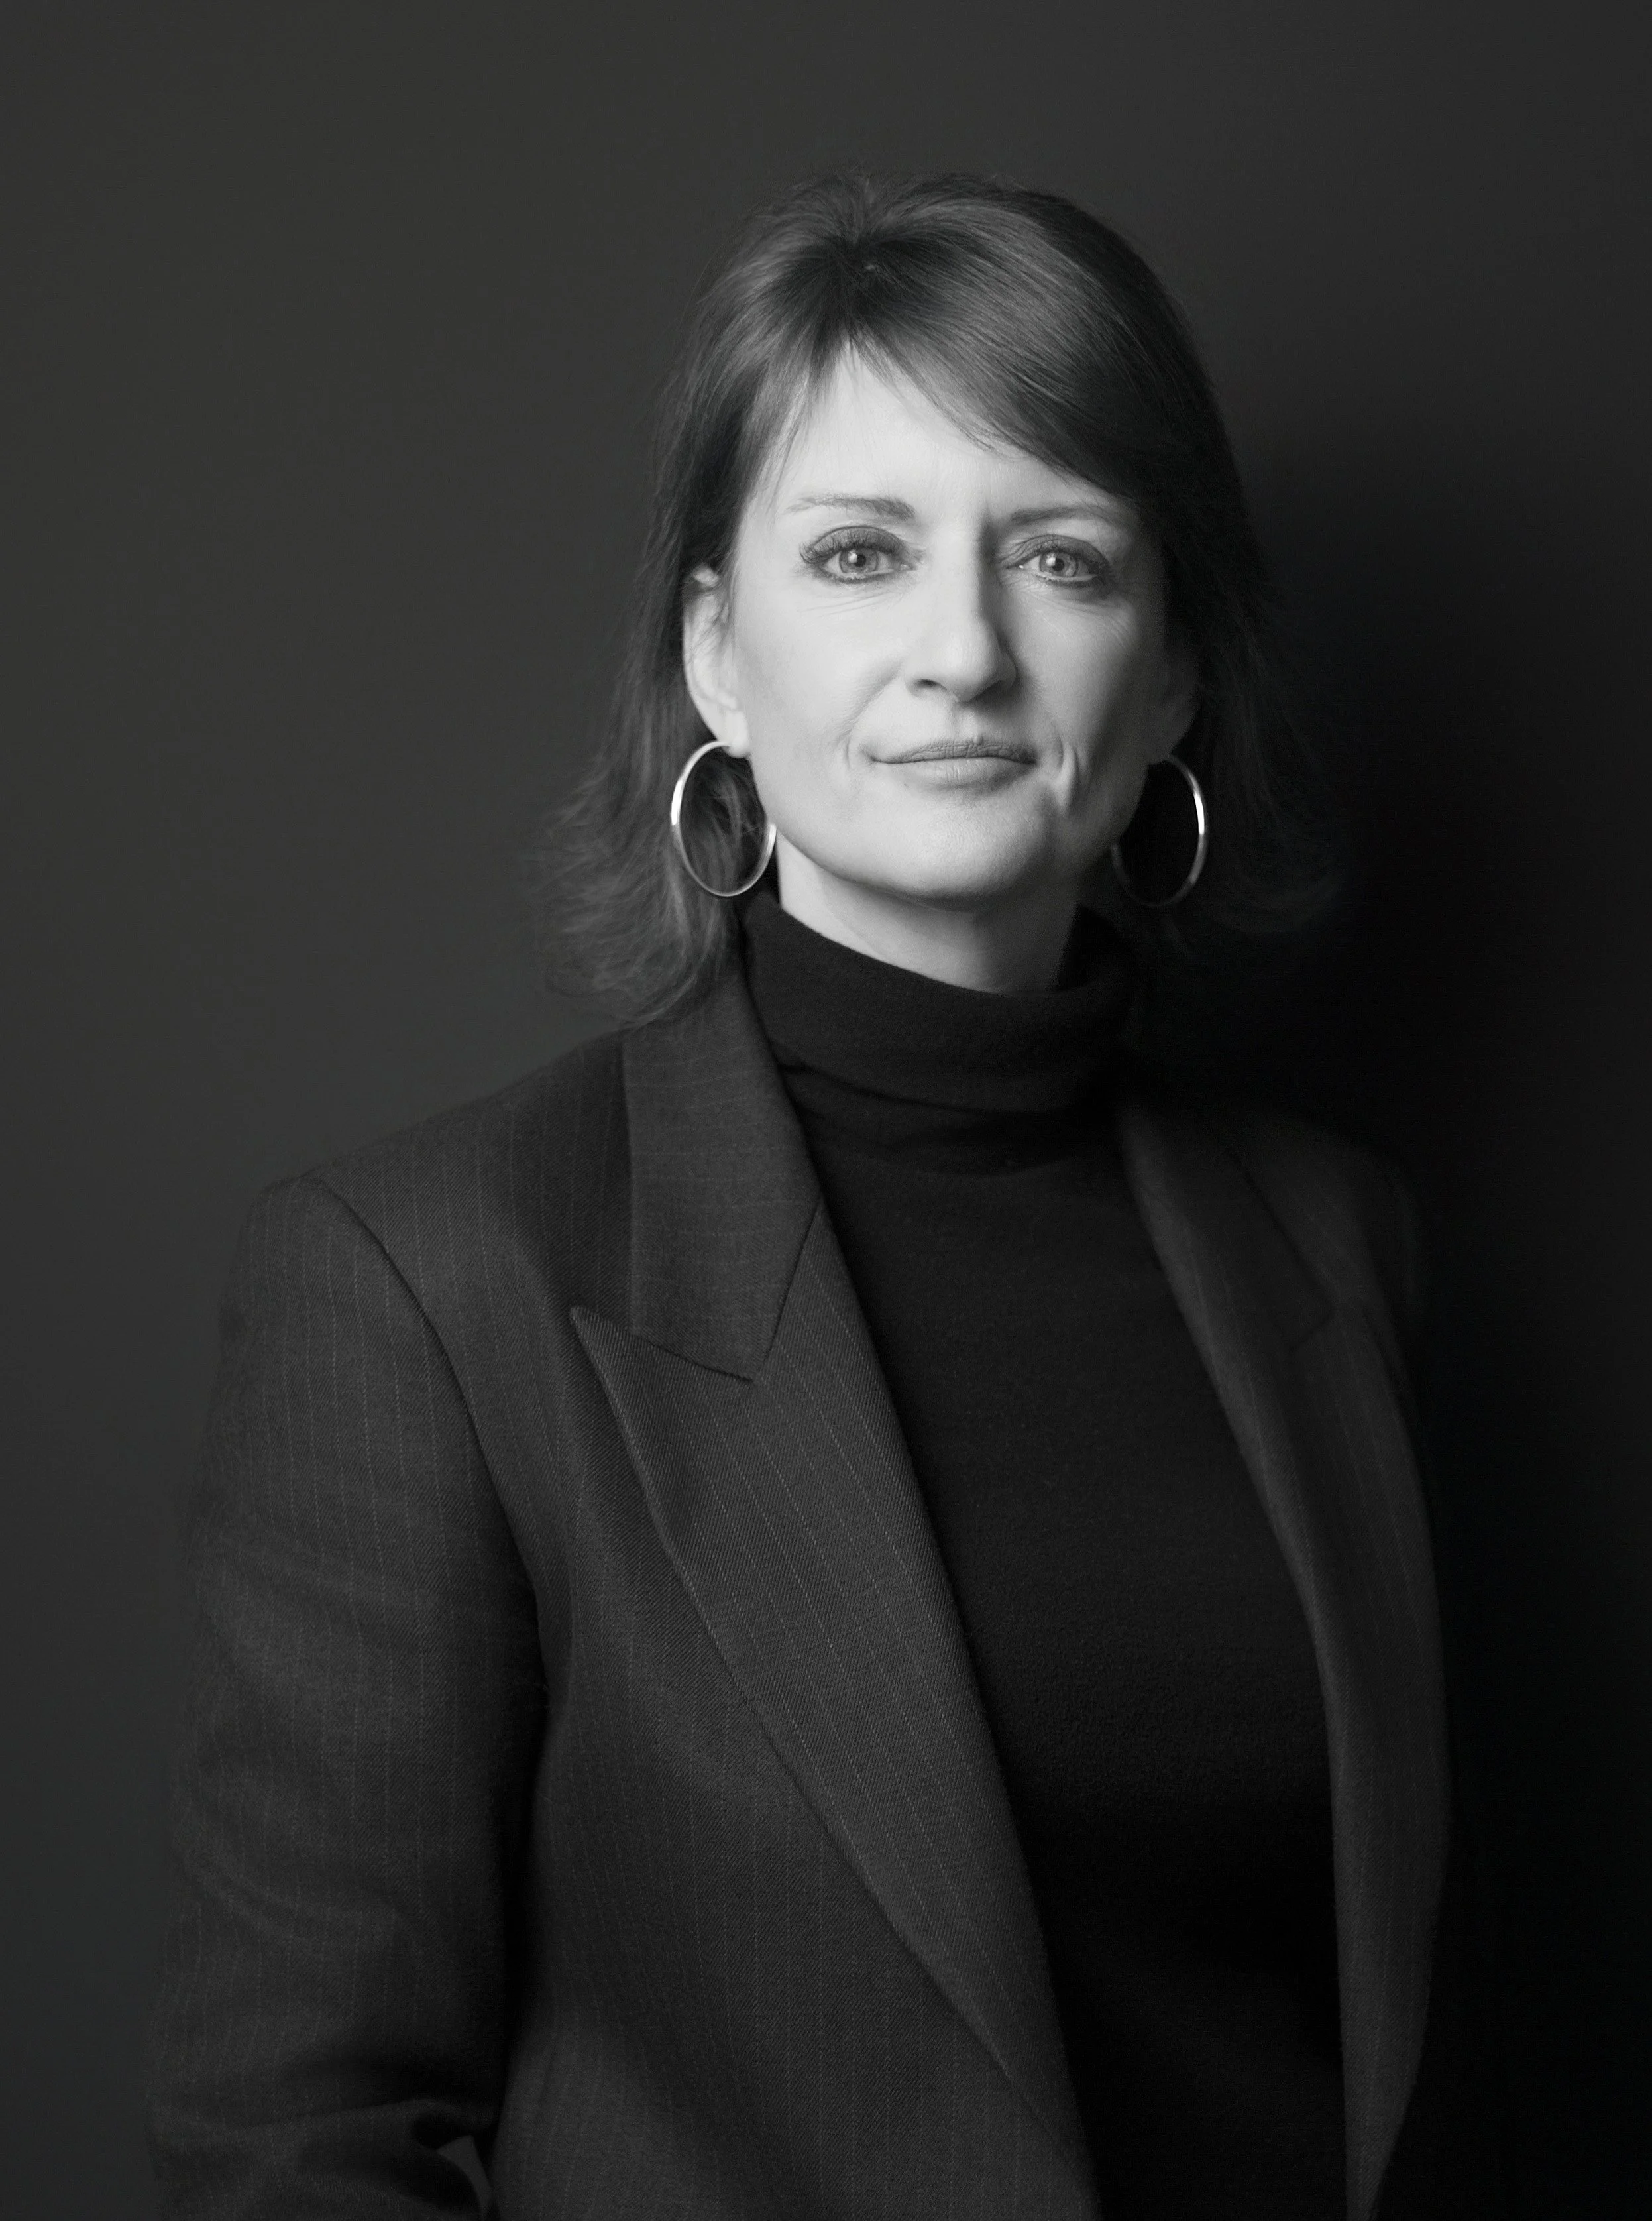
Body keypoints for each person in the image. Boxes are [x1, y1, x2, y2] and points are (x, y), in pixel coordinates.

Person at [148, 172, 1504, 2220]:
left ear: (1162, 682)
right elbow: (293, 2139)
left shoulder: (1330, 1245)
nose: (959, 650)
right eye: (858, 554)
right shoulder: (433, 1279)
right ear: (716, 654)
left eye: (1060, 555)